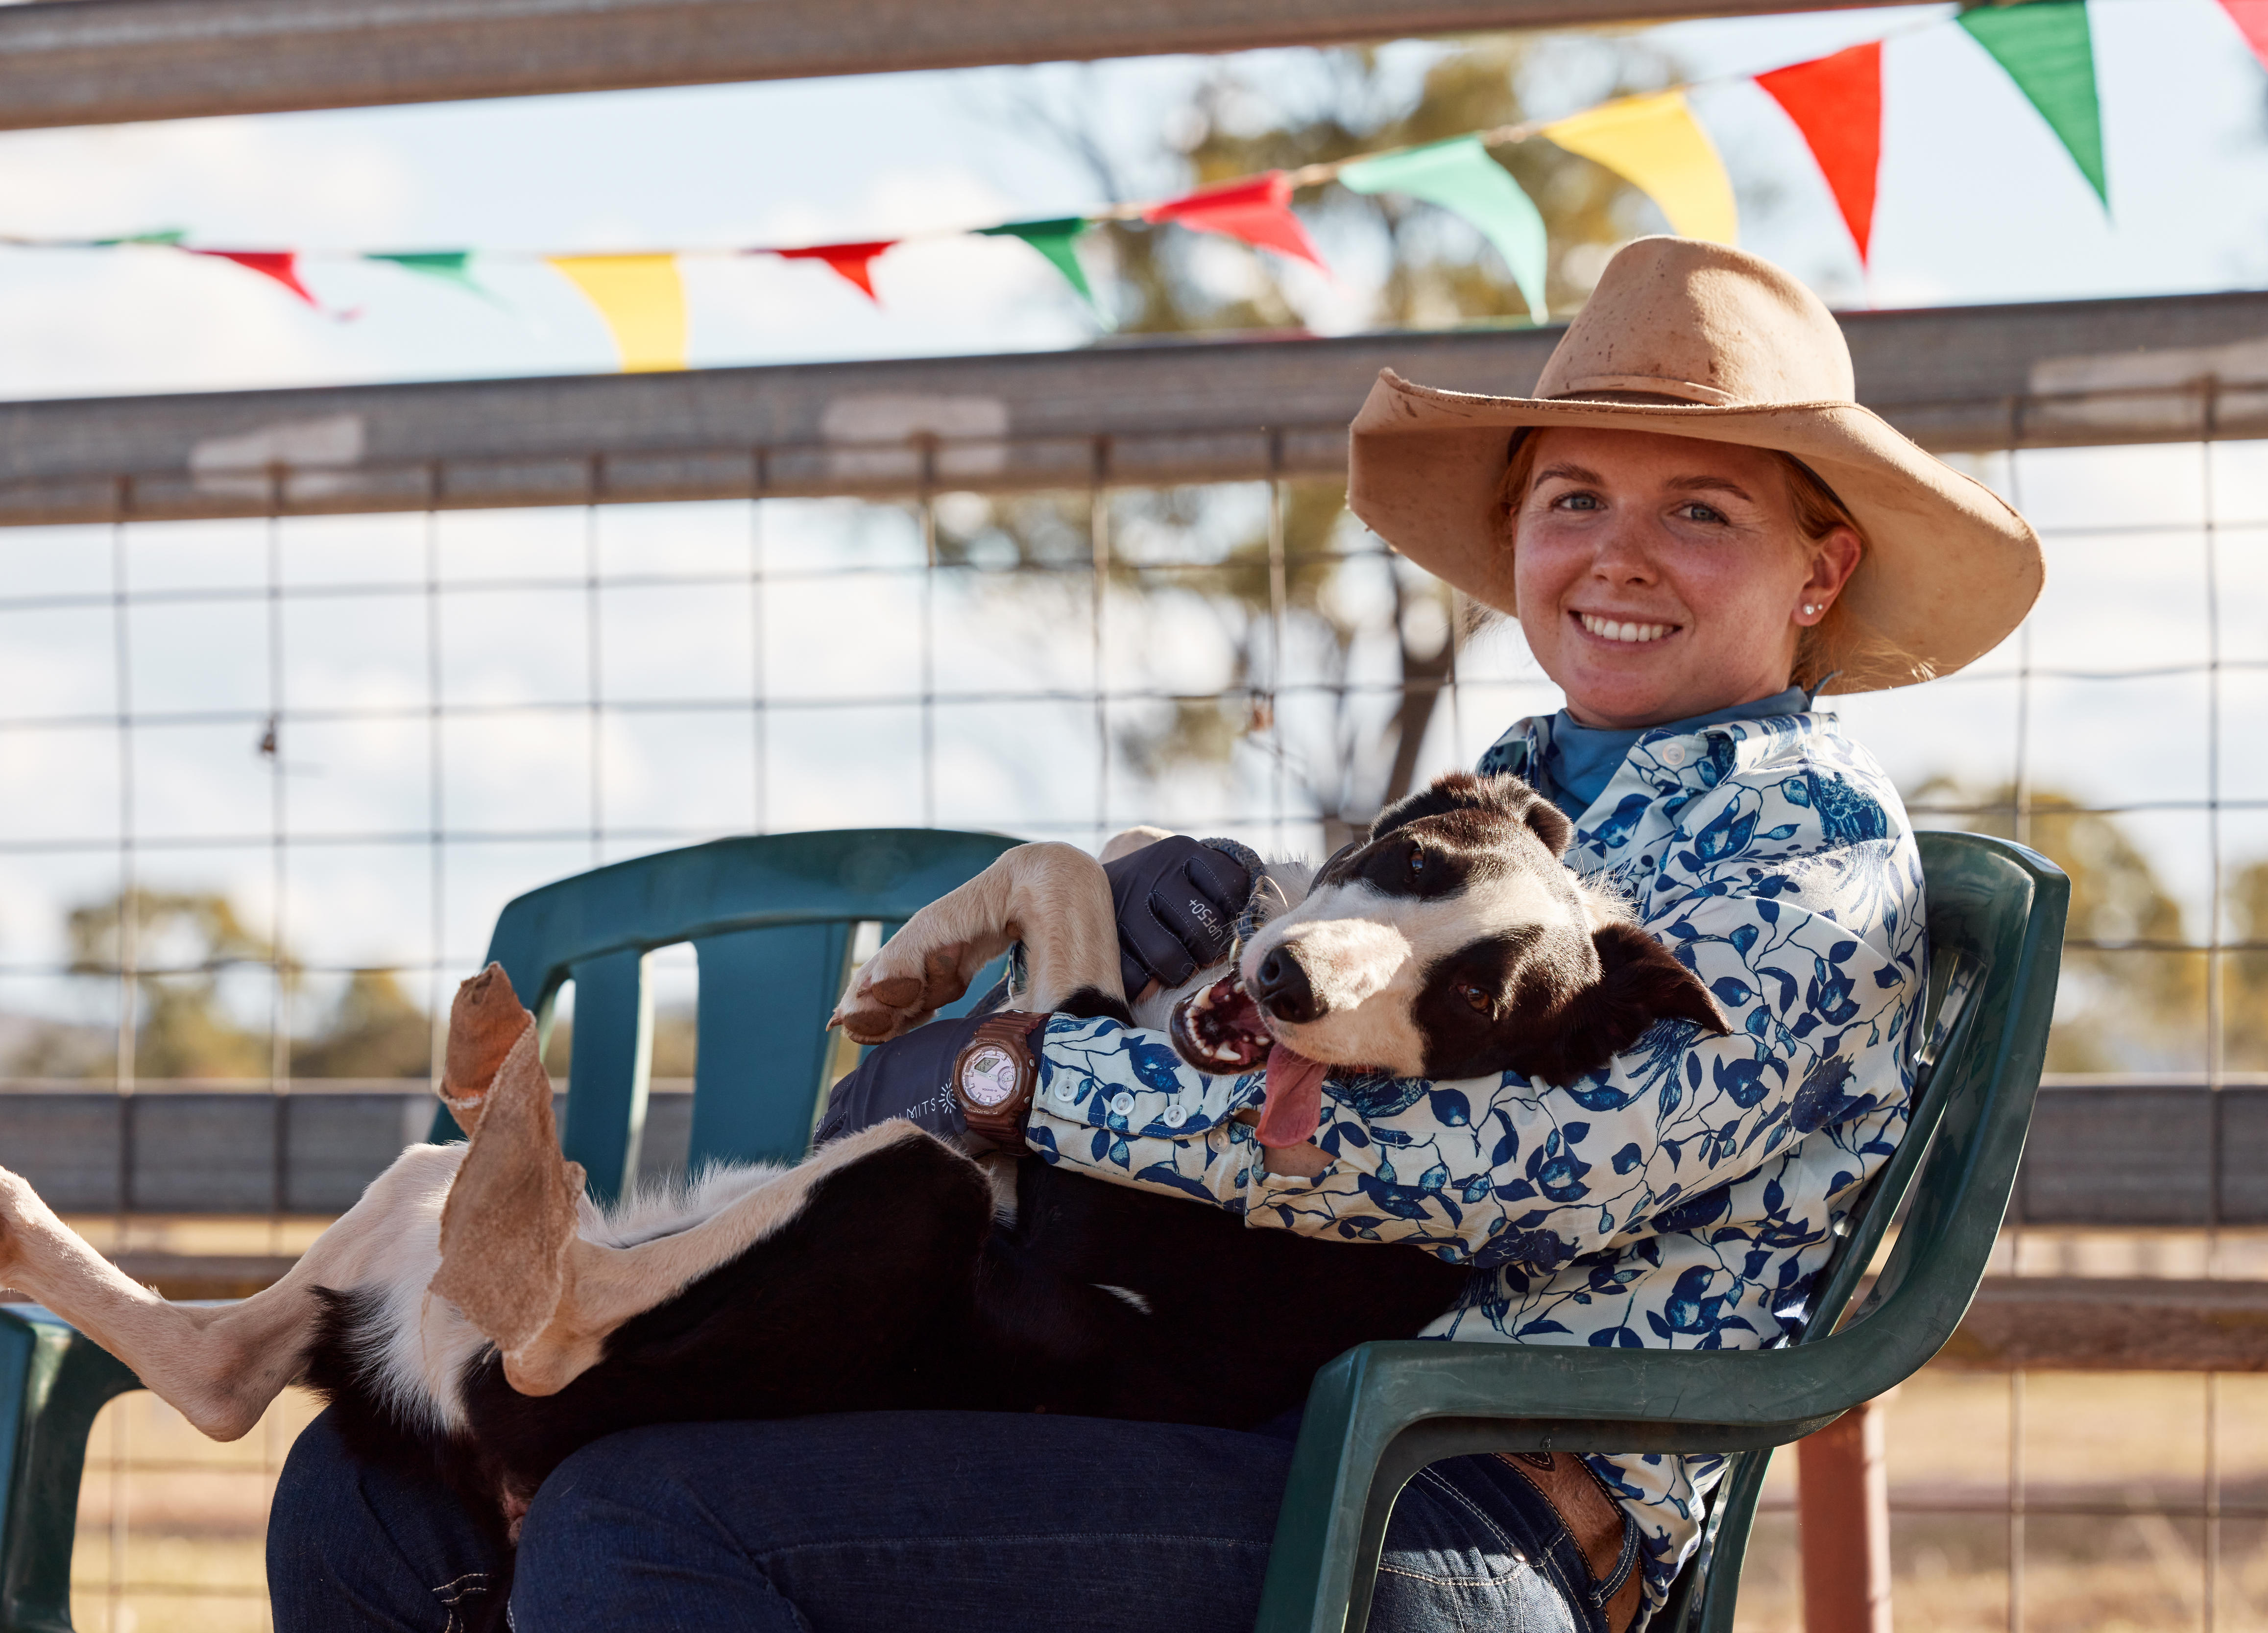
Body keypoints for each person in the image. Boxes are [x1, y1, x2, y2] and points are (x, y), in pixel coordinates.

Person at [266, 237, 2042, 1633]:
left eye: (1702, 511)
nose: (1612, 554)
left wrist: (1024, 1080)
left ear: (1820, 573)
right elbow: (1306, 1023)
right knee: (363, 1503)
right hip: (1197, 1406)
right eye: (1573, 495)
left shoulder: (1801, 846)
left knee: (652, 1530)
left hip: (1454, 1504)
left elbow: (1511, 1167)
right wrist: (1152, 903)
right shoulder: (1515, 785)